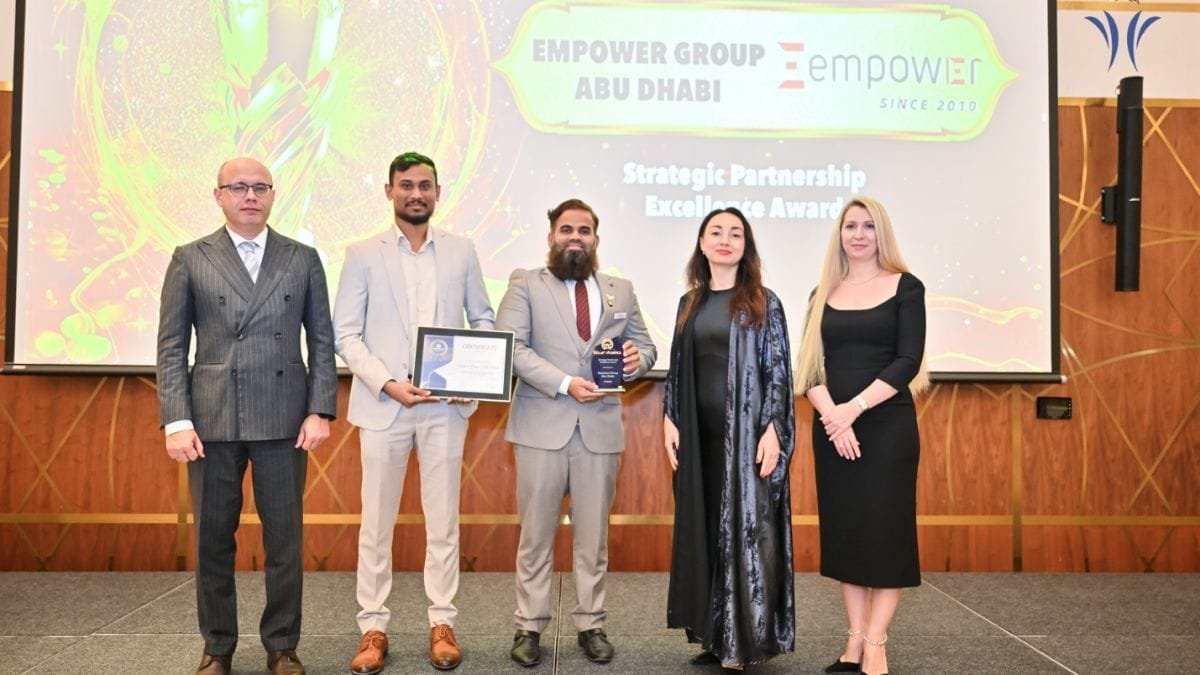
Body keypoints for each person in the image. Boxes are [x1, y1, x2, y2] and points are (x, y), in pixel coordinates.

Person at [157, 157, 338, 675]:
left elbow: (321, 341)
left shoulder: (302, 257)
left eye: (260, 187)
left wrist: (320, 409)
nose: (250, 196)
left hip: (285, 419)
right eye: (238, 187)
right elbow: (171, 346)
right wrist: (176, 419)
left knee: (285, 540)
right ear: (219, 195)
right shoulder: (190, 257)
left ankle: (282, 645)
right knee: (212, 540)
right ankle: (217, 647)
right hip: (211, 421)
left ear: (273, 195)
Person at [333, 152, 495, 674]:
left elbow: (483, 319)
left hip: (444, 410)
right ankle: (372, 627)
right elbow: (346, 335)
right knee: (375, 523)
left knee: (443, 521)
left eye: (425, 185)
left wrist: (472, 379)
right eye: (406, 185)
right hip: (385, 404)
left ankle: (442, 622)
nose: (416, 194)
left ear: (438, 192)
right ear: (390, 191)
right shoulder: (362, 253)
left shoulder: (461, 251)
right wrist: (387, 383)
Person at [495, 198, 657, 667]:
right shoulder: (526, 283)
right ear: (551, 237)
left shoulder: (620, 290)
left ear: (595, 240)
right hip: (541, 427)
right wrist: (565, 383)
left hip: (599, 432)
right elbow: (512, 348)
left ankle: (591, 624)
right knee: (535, 536)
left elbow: (645, 347)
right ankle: (529, 626)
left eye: (584, 231)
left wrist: (636, 361)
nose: (575, 238)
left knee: (593, 538)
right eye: (566, 230)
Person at [795, 197, 928, 675]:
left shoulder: (906, 287)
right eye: (850, 225)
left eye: (868, 226)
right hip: (834, 430)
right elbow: (809, 367)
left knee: (886, 535)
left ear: (881, 234)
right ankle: (853, 640)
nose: (858, 234)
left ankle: (876, 642)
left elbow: (907, 361)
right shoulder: (822, 293)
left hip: (886, 426)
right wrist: (834, 417)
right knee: (847, 534)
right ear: (840, 234)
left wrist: (852, 409)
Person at [662, 207, 796, 670]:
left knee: (748, 534)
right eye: (716, 232)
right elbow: (679, 368)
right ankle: (716, 636)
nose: (725, 239)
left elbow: (778, 370)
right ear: (702, 243)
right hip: (699, 441)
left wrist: (773, 428)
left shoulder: (763, 301)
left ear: (745, 246)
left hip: (746, 440)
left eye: (735, 233)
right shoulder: (689, 303)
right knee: (707, 533)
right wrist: (670, 417)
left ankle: (744, 643)